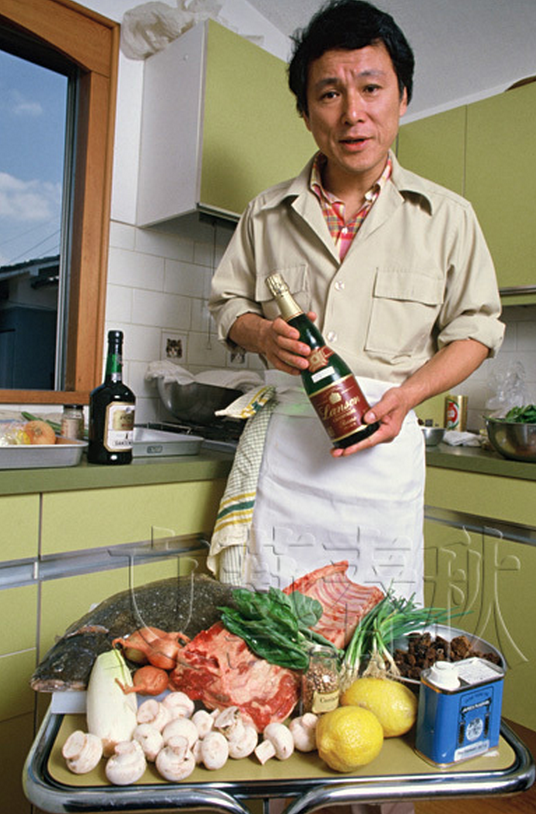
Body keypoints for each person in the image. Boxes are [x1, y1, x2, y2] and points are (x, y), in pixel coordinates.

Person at [208, 0, 504, 604]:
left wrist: (409, 397)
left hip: (385, 460)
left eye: (371, 88)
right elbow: (226, 305)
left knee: (378, 632)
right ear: (305, 111)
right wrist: (261, 335)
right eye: (329, 94)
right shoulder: (265, 214)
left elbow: (476, 330)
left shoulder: (449, 218)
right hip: (289, 462)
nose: (352, 113)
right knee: (275, 623)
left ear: (402, 97)